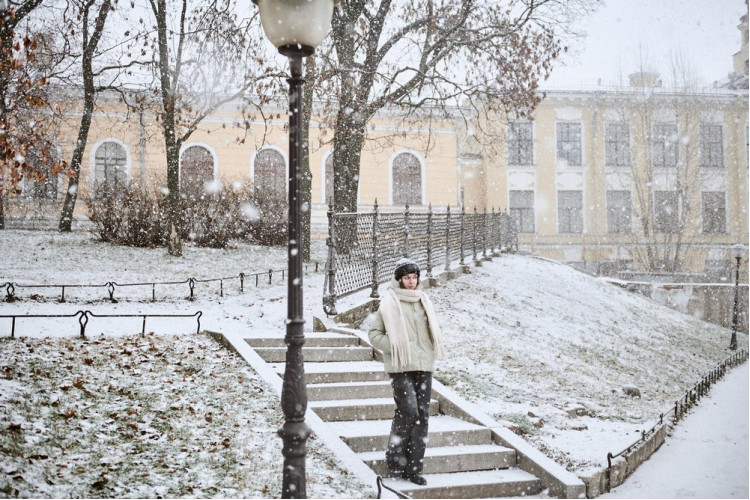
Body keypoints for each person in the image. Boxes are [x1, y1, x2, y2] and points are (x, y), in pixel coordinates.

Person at [368, 258, 446, 486]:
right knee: (408, 410)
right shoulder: (389, 303)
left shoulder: (424, 300)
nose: (411, 282)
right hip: (400, 366)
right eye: (406, 278)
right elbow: (374, 335)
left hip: (423, 365)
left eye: (414, 277)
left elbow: (433, 331)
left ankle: (413, 468)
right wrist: (395, 346)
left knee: (422, 415)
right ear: (399, 280)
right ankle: (395, 457)